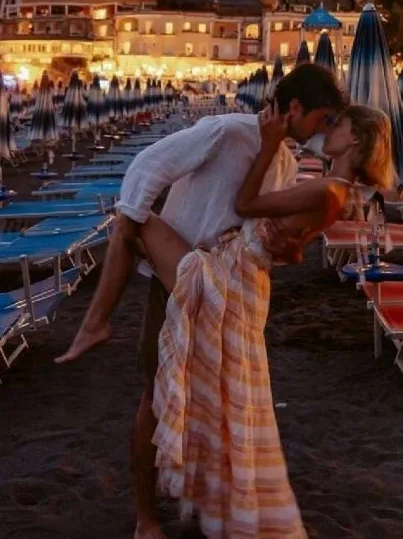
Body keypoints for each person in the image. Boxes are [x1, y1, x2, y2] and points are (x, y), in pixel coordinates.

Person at [56, 63, 345, 539]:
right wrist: (135, 223)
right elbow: (149, 165)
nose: (322, 129)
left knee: (215, 404)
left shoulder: (287, 163)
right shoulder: (228, 131)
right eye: (322, 118)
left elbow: (259, 223)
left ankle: (207, 500)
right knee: (156, 396)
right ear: (295, 107)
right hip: (178, 284)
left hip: (231, 295)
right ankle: (145, 518)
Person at [136, 104, 393, 538]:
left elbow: (245, 202)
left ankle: (96, 323)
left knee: (135, 218)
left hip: (229, 272)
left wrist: (270, 143)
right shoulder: (337, 191)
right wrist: (279, 241)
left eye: (339, 124)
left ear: (354, 139)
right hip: (246, 275)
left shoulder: (328, 190)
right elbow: (292, 249)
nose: (329, 128)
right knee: (224, 394)